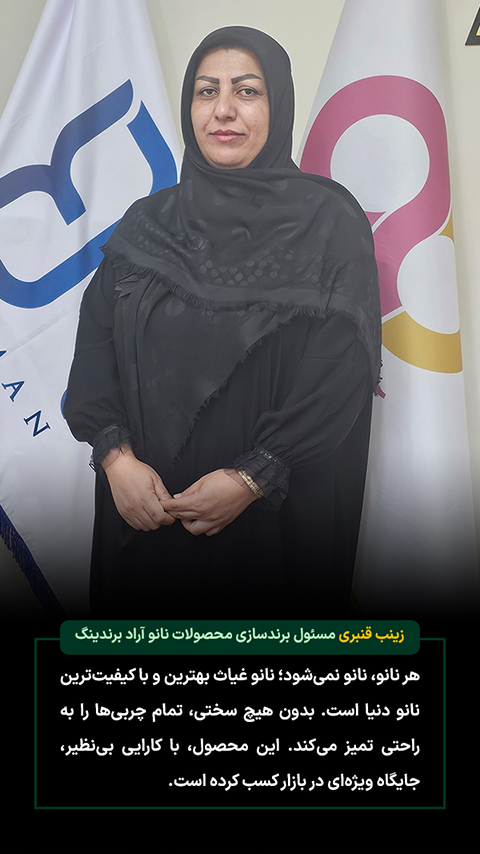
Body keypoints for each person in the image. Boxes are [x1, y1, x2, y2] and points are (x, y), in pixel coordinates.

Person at [64, 26, 381, 619]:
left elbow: (340, 376)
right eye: (206, 91)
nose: (224, 110)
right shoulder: (147, 223)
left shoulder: (329, 223)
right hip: (143, 522)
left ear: (278, 104)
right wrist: (115, 460)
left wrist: (252, 477)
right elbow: (94, 350)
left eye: (247, 91)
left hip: (270, 530)